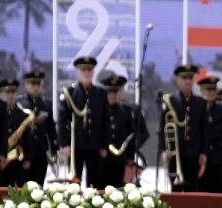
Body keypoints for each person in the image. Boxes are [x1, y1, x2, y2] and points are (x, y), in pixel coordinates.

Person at [58, 56, 109, 188]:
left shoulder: (101, 94)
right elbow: (62, 121)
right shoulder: (69, 93)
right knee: (74, 184)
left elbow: (106, 122)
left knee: (95, 184)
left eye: (89, 70)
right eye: (83, 70)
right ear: (77, 72)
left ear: (93, 72)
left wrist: (104, 145)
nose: (86, 73)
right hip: (75, 147)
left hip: (95, 146)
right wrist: (64, 144)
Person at [161, 63, 208, 192]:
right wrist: (164, 150)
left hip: (194, 154)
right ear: (177, 80)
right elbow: (162, 129)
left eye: (190, 78)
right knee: (175, 191)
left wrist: (203, 152)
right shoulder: (170, 100)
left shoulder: (201, 103)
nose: (188, 81)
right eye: (184, 78)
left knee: (192, 190)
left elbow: (204, 130)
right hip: (175, 153)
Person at [17, 70, 58, 186]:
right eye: (32, 84)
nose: (36, 87)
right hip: (24, 152)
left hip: (41, 152)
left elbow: (51, 129)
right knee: (23, 187)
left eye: (38, 84)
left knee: (39, 186)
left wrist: (55, 149)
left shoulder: (46, 104)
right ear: (26, 85)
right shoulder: (20, 104)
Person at [99, 74, 134, 188]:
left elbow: (130, 135)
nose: (113, 95)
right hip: (102, 158)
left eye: (115, 91)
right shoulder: (99, 110)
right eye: (110, 92)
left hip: (120, 159)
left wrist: (130, 158)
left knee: (118, 190)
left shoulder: (126, 111)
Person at [0, 78, 29, 187]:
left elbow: (28, 139)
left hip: (18, 161)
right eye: (7, 92)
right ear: (0, 94)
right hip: (1, 160)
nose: (10, 95)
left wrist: (27, 158)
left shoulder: (23, 115)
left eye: (13, 92)